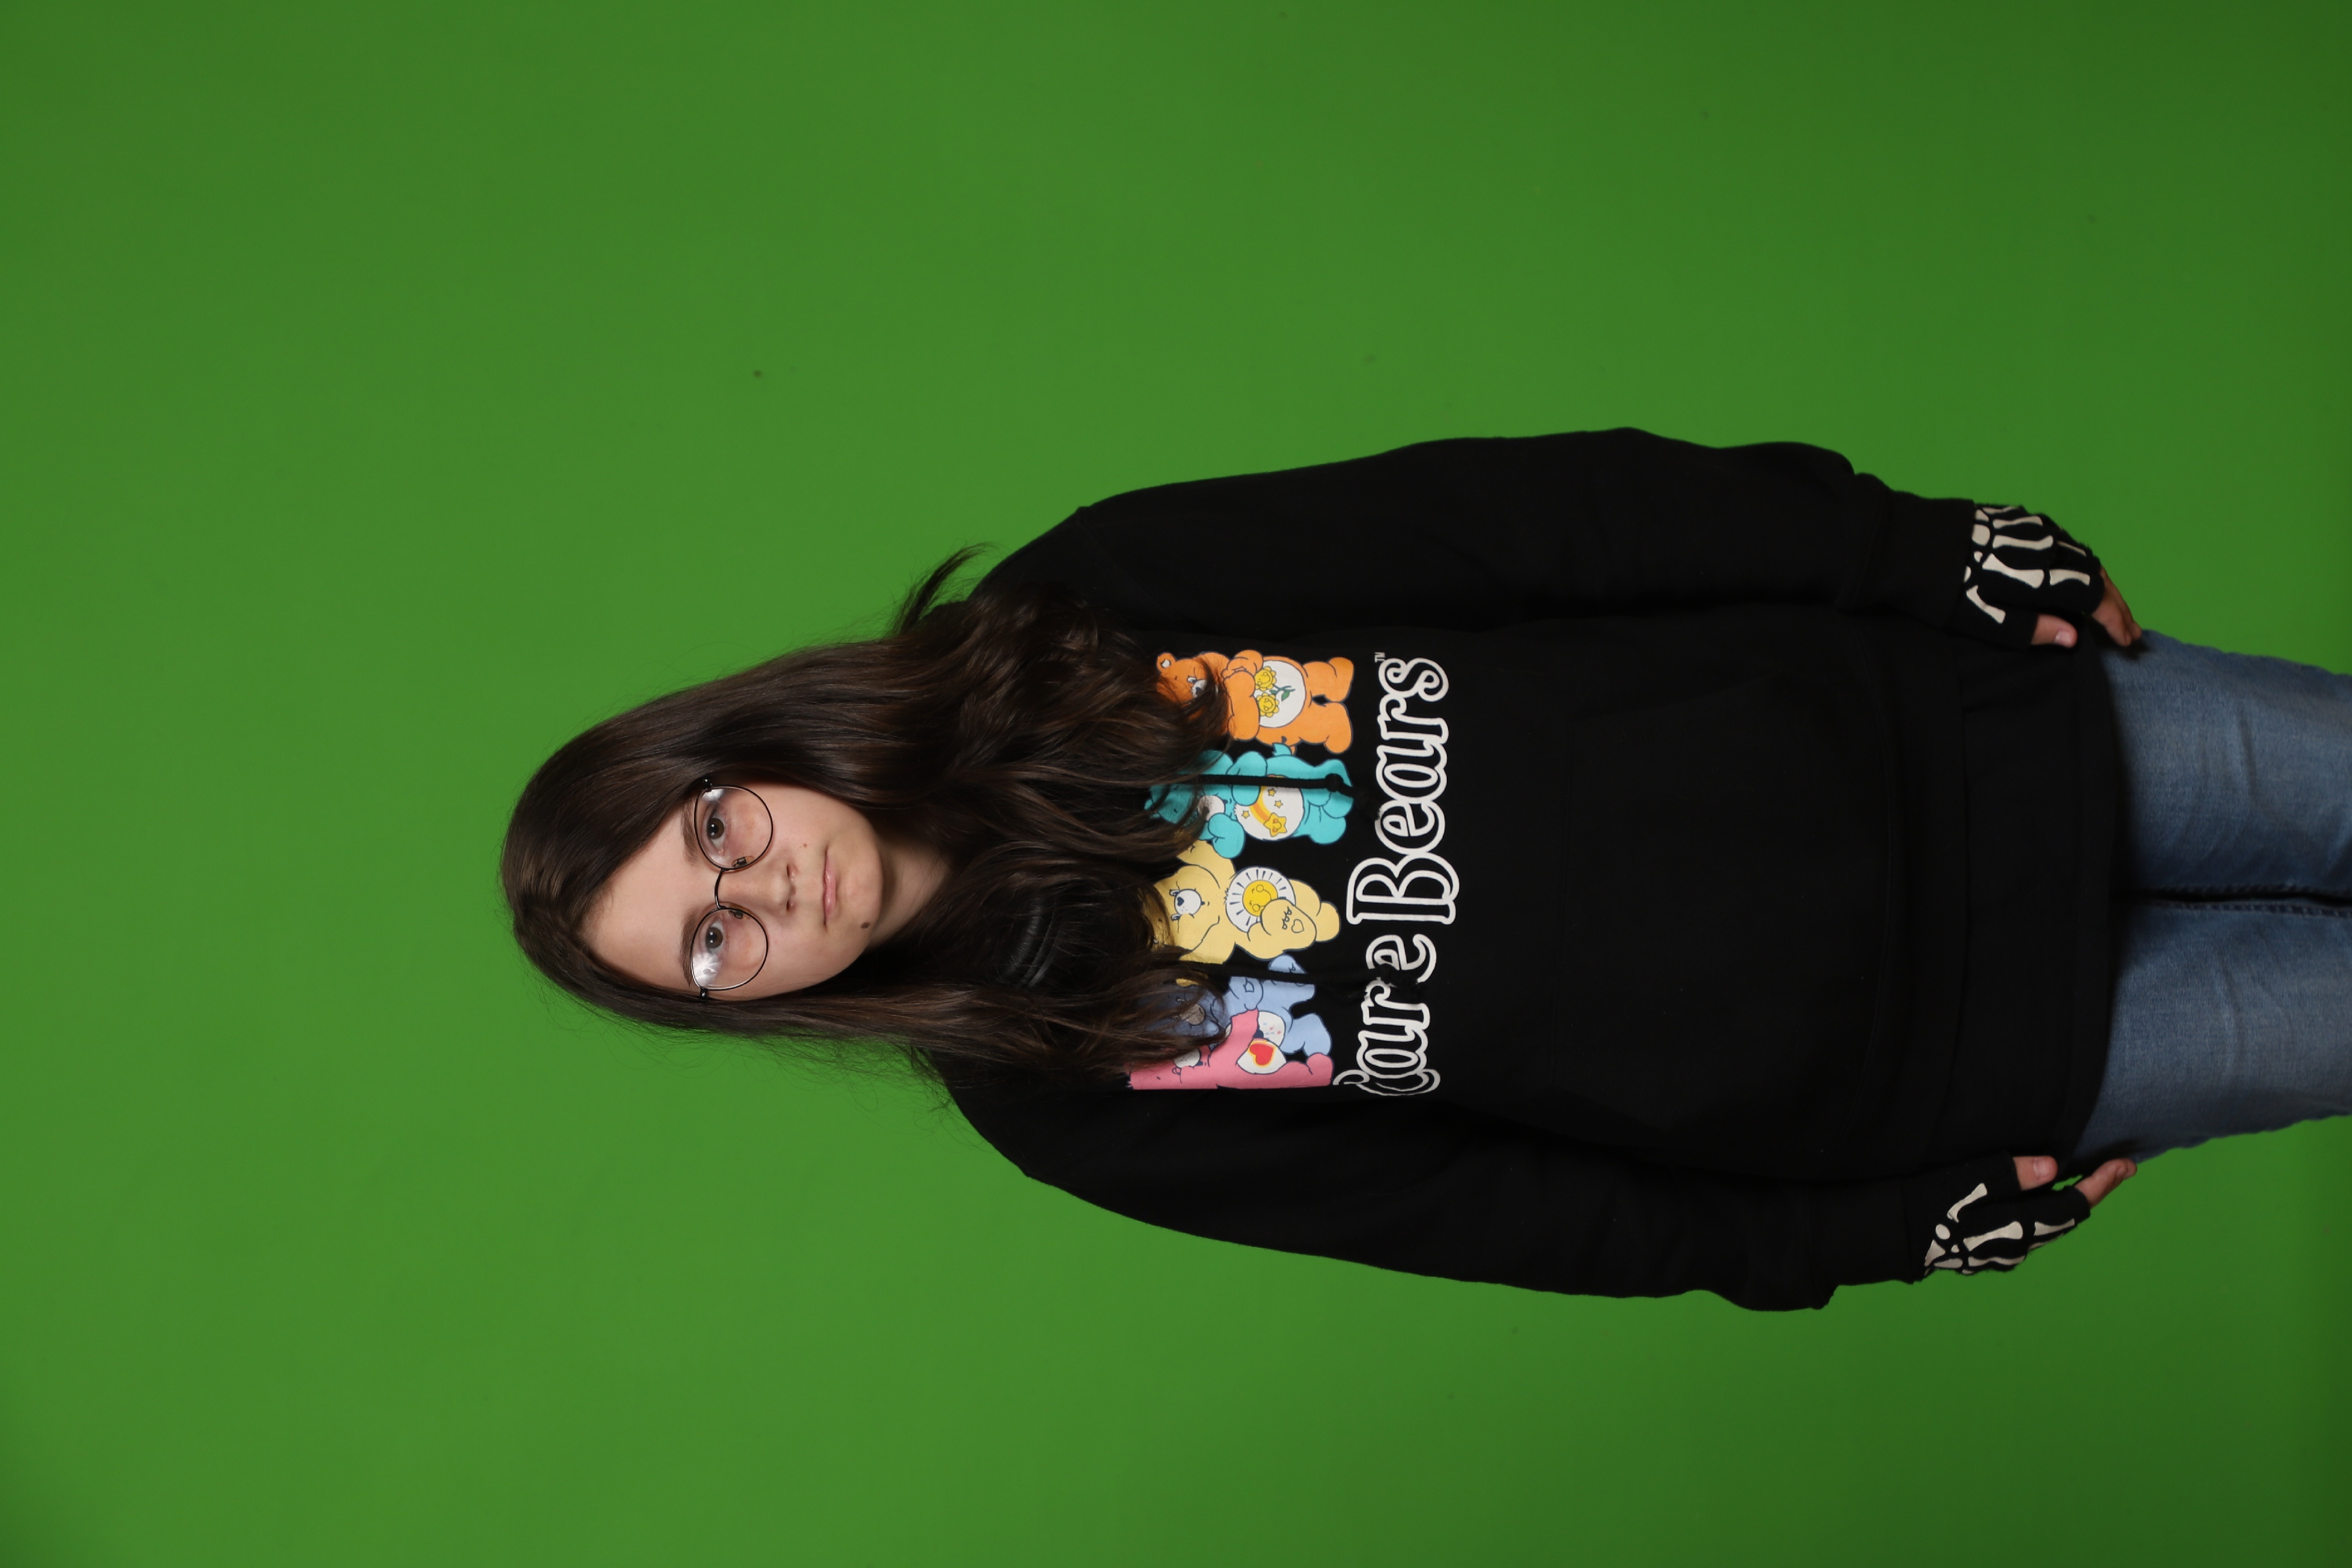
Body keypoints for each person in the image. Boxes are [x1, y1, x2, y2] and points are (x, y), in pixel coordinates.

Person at [501, 429, 2352, 1310]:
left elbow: (1530, 522)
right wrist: (1859, 1237)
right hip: (1962, 1062)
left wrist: (1908, 551)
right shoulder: (1061, 1096)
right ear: (748, 1006)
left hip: (1965, 742)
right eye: (713, 947)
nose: (764, 896)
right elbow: (1505, 1218)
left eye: (715, 833)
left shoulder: (1083, 613)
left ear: (742, 749)